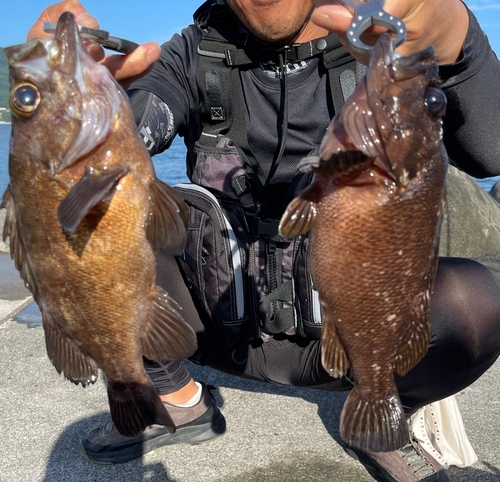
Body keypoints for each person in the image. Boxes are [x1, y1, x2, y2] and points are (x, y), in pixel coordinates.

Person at [28, 1, 500, 480]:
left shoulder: (381, 50)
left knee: (478, 303)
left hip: (340, 339)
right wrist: (70, 108)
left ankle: (379, 413)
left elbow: (492, 149)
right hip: (210, 328)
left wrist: (459, 41)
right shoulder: (192, 51)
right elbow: (144, 117)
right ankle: (175, 399)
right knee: (110, 216)